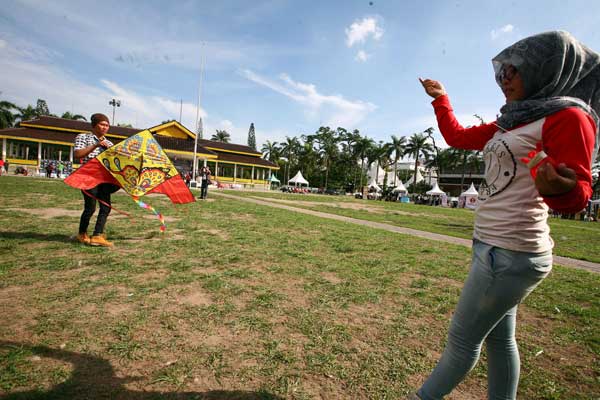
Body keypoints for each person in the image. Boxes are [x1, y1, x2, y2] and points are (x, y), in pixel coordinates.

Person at [413, 31, 598, 400]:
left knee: (461, 345)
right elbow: (458, 137)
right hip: (492, 247)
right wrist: (441, 100)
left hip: (511, 252)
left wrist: (558, 187)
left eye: (515, 71)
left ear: (547, 70)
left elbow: (579, 195)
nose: (505, 80)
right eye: (502, 73)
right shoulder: (513, 121)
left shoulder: (568, 117)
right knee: (500, 339)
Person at [73, 113, 119, 247]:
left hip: (103, 180)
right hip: (88, 177)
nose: (105, 127)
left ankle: (97, 235)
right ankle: (82, 233)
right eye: (102, 124)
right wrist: (96, 145)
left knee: (105, 207)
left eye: (107, 125)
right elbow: (77, 154)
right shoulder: (83, 137)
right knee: (90, 208)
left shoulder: (109, 143)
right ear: (94, 125)